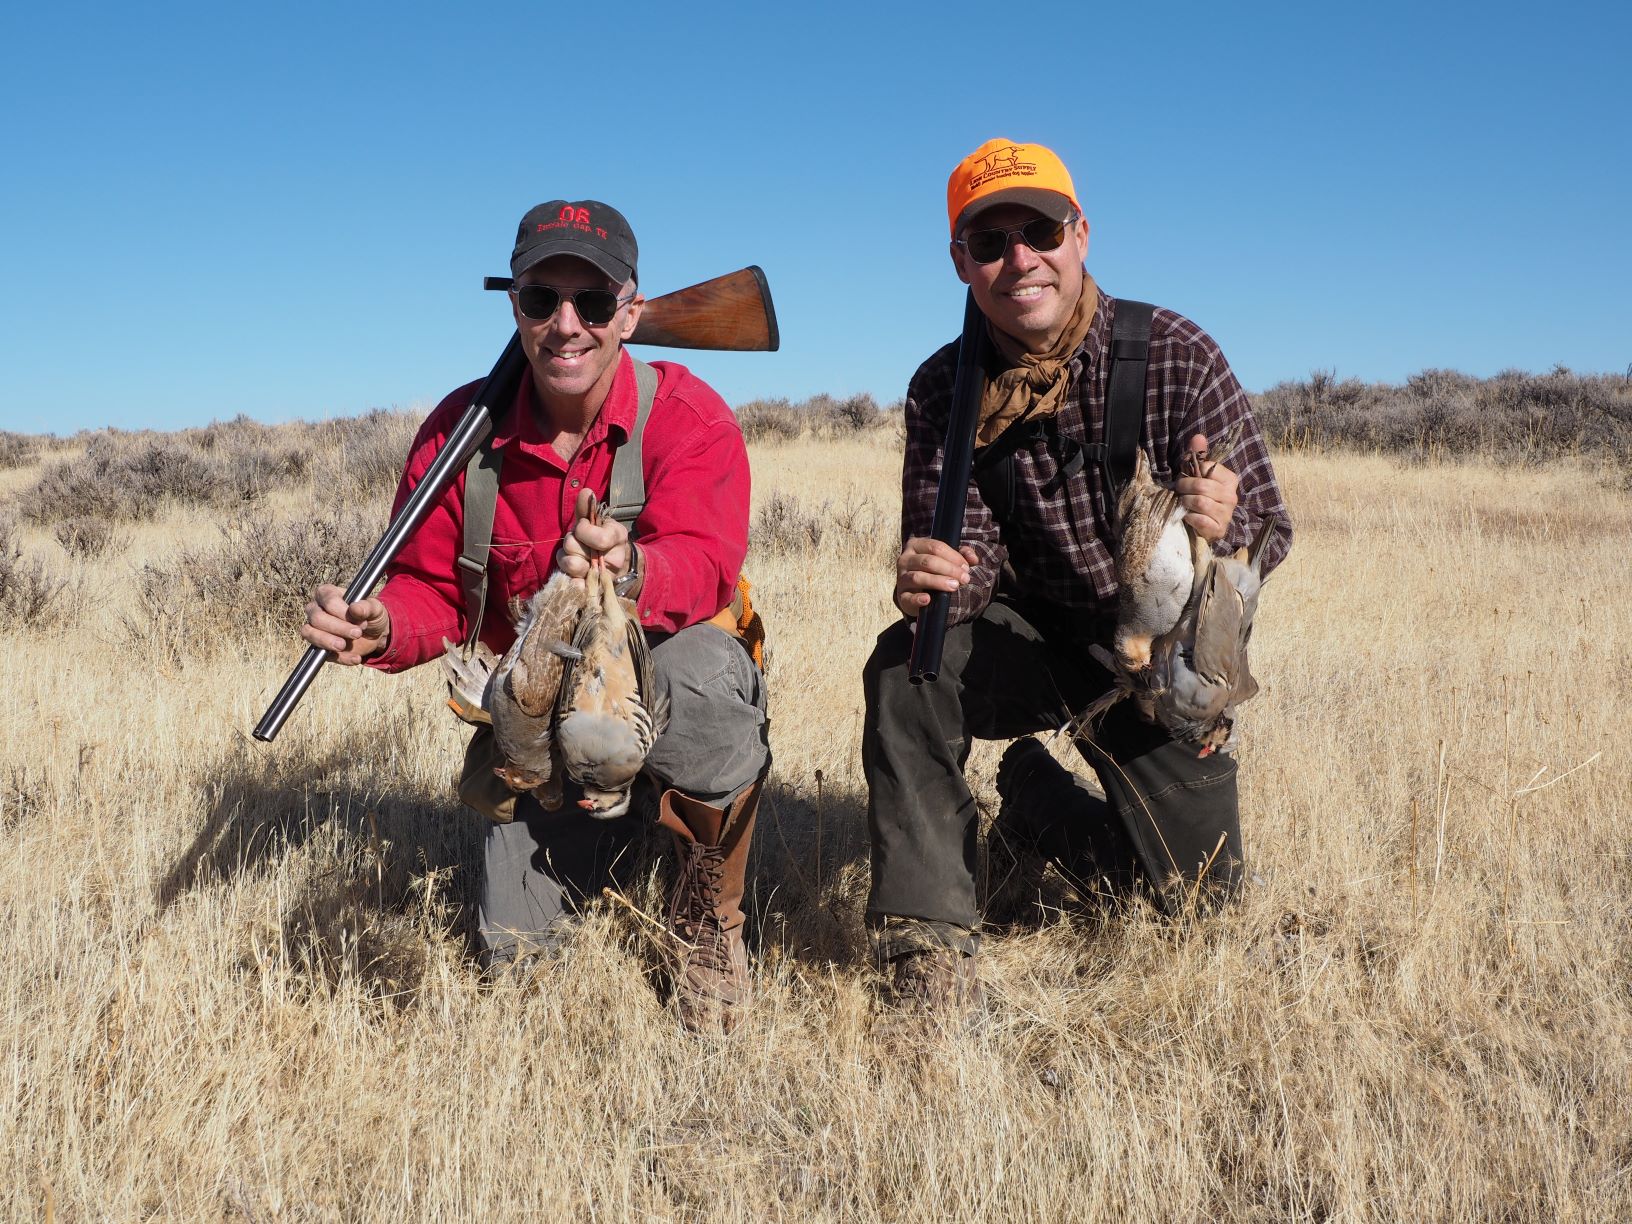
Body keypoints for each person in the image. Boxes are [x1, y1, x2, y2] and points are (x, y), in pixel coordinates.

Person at [301, 200, 769, 1032]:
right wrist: (380, 627)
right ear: (511, 302)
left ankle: (707, 916)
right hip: (535, 726)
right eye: (539, 298)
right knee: (518, 956)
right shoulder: (458, 436)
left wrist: (632, 570)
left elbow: (706, 563)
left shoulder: (689, 417)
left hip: (653, 690)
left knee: (704, 673)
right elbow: (433, 595)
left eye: (592, 304)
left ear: (631, 310)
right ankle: (620, 836)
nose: (566, 325)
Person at [863, 139, 1293, 1014]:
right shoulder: (945, 388)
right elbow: (967, 560)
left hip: (1154, 672)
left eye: (1040, 230)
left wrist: (1227, 521)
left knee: (1196, 912)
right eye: (989, 242)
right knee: (910, 662)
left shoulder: (1175, 354)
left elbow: (1270, 531)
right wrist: (938, 580)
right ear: (960, 262)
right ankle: (928, 950)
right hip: (1031, 642)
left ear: (1081, 233)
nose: (1019, 259)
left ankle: (1037, 804)